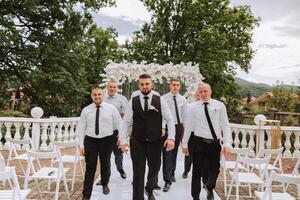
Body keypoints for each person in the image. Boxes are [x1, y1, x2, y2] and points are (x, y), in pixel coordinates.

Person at [119, 74, 175, 200]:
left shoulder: (159, 99)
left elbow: (170, 119)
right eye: (142, 84)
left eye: (147, 84)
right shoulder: (133, 100)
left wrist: (171, 138)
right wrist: (123, 140)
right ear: (139, 85)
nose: (145, 86)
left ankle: (149, 189)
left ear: (152, 84)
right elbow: (126, 122)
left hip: (155, 142)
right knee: (138, 173)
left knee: (155, 169)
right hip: (137, 142)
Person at [182, 83, 231, 200]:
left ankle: (209, 187)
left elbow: (225, 125)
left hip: (214, 143)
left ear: (210, 91)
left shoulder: (219, 105)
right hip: (198, 143)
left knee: (215, 169)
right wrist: (184, 143)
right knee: (196, 171)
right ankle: (195, 197)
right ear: (198, 93)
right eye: (201, 92)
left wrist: (227, 144)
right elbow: (189, 126)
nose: (203, 94)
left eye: (205, 91)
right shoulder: (193, 107)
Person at [78, 87, 122, 200]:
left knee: (105, 163)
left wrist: (121, 138)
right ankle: (86, 195)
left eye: (99, 94)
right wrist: (81, 145)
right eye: (94, 95)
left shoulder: (111, 109)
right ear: (91, 96)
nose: (97, 97)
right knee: (90, 167)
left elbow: (119, 124)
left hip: (107, 139)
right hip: (90, 140)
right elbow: (81, 128)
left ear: (103, 95)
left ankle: (105, 183)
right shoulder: (86, 110)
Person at [95, 80, 128, 186]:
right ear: (107, 87)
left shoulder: (122, 99)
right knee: (105, 158)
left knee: (118, 156)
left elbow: (126, 117)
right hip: (104, 133)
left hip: (117, 132)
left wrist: (122, 133)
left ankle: (120, 169)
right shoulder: (102, 99)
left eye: (114, 87)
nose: (112, 89)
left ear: (117, 88)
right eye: (110, 87)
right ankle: (104, 179)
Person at [161, 78, 188, 192]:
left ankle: (172, 173)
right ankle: (167, 179)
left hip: (178, 127)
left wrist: (185, 130)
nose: (175, 87)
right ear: (170, 86)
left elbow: (185, 116)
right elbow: (162, 115)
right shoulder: (163, 98)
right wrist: (162, 127)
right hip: (166, 127)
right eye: (173, 85)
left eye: (177, 85)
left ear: (180, 87)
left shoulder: (183, 100)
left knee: (175, 151)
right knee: (167, 152)